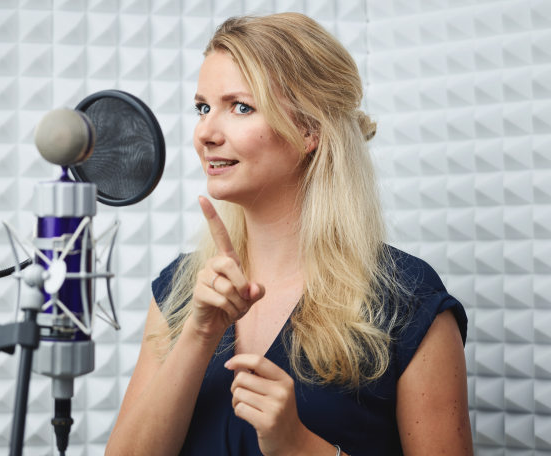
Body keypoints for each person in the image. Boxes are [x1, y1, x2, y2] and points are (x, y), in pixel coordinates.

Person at [105, 12, 472, 456]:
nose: (205, 132)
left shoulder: (408, 300)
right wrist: (199, 335)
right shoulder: (182, 290)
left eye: (240, 107)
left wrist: (303, 448)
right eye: (203, 107)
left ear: (309, 129)